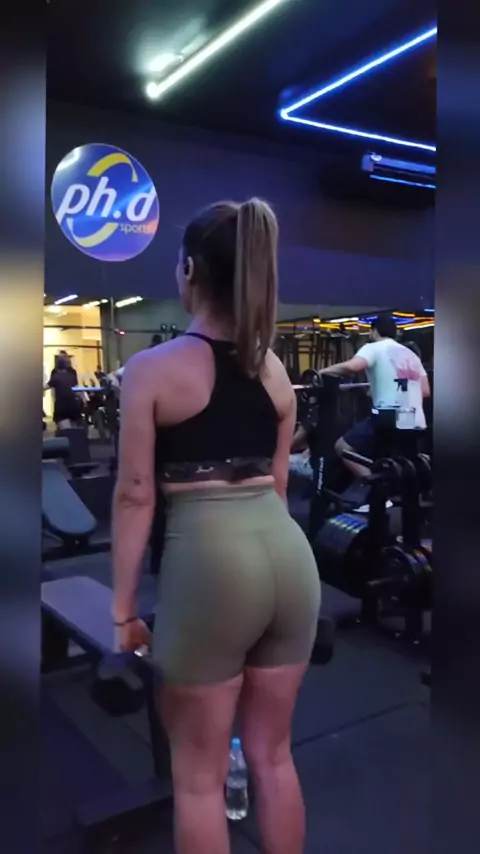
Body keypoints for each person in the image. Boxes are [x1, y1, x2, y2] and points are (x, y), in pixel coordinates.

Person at [111, 198, 321, 854]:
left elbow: (135, 496)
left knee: (200, 783)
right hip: (289, 559)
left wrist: (123, 612)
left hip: (212, 566)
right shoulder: (276, 371)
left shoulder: (152, 369)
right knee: (274, 756)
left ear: (189, 270)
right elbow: (279, 488)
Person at [320, 314, 431, 480]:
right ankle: (394, 487)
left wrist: (323, 372)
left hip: (388, 416)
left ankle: (377, 483)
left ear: (374, 331)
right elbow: (425, 390)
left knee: (342, 447)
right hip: (414, 417)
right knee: (400, 461)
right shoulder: (410, 354)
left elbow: (353, 367)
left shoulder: (373, 347)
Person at [47, 354, 81, 429]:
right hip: (73, 406)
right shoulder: (72, 375)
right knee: (74, 431)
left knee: (66, 431)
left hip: (61, 407)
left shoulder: (56, 376)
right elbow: (77, 390)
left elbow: (46, 386)